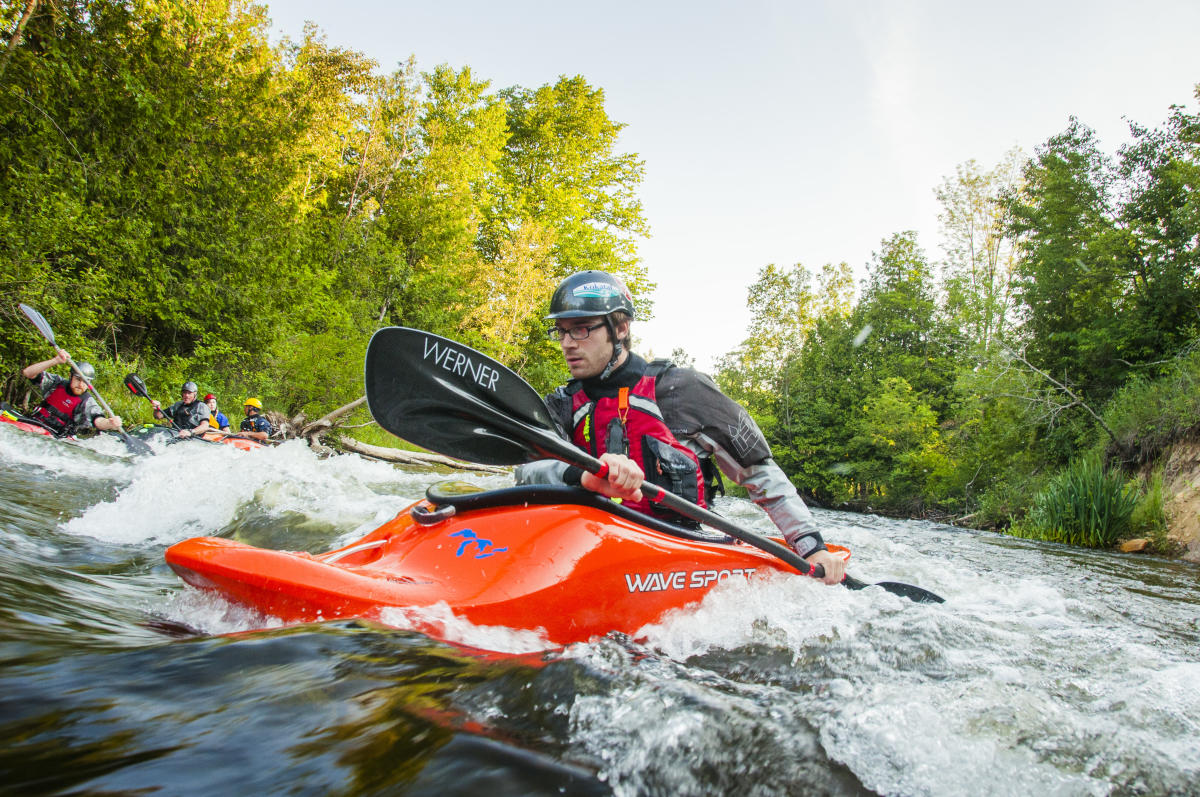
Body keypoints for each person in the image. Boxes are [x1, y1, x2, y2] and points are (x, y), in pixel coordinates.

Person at [515, 270, 846, 584]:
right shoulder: (562, 403)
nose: (568, 343)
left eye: (582, 328)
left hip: (678, 550)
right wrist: (586, 477)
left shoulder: (683, 390)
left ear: (621, 328)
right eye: (561, 330)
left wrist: (812, 547)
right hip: (590, 547)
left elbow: (758, 473)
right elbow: (527, 472)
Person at [19, 349, 124, 436]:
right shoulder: (56, 383)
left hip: (55, 436)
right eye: (78, 379)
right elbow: (28, 373)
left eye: (85, 382)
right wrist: (55, 360)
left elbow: (98, 421)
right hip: (34, 423)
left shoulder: (87, 401)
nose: (81, 384)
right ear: (71, 376)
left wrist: (109, 423)